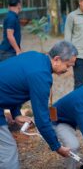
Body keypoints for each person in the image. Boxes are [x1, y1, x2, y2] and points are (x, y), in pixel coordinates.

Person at [0, 41, 78, 169]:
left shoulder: (35, 56)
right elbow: (42, 119)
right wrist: (57, 147)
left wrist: (16, 113)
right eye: (67, 66)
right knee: (8, 150)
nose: (67, 70)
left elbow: (12, 85)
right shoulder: (41, 76)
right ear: (57, 59)